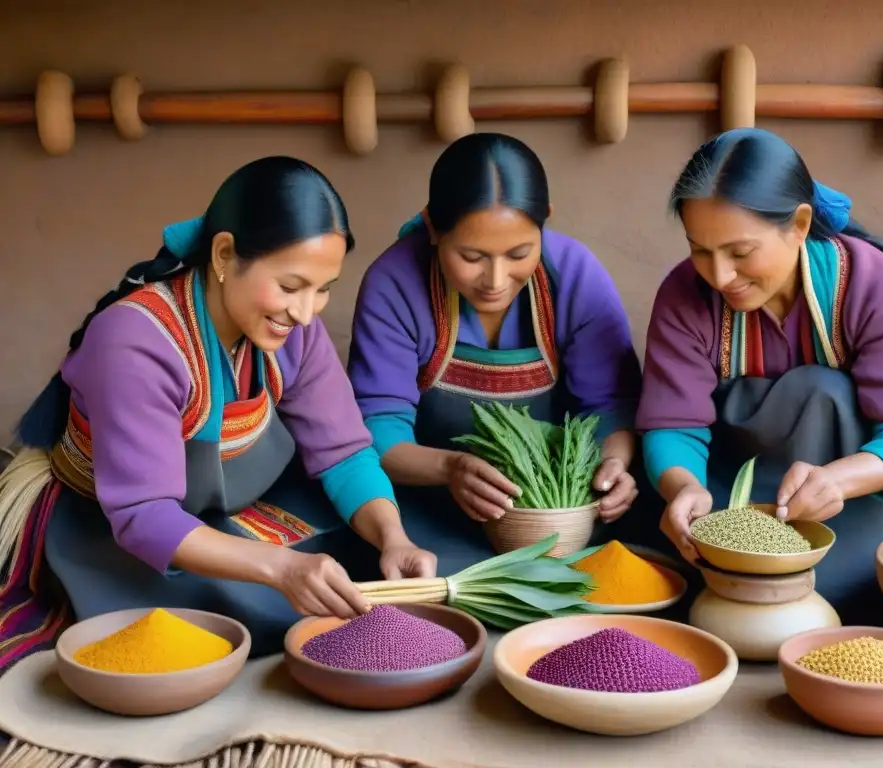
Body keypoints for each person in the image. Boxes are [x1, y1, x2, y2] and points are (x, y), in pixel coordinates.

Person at [0, 156, 436, 668]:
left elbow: (343, 453)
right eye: (290, 286)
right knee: (248, 609)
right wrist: (280, 568)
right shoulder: (136, 340)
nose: (305, 312)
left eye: (323, 290)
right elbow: (144, 516)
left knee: (366, 563)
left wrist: (393, 536)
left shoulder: (296, 332)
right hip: (114, 525)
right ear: (225, 254)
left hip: (220, 507)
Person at [636, 128, 883, 625]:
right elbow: (673, 425)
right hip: (730, 498)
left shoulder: (872, 284)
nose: (720, 275)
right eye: (700, 250)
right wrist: (684, 487)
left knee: (875, 603)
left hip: (858, 503)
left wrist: (840, 480)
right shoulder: (683, 295)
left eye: (740, 251)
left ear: (799, 224)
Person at [347, 132, 656, 575]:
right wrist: (450, 469)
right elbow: (376, 427)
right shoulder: (394, 283)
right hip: (430, 503)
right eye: (471, 256)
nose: (495, 279)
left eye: (519, 253)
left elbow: (610, 405)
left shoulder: (574, 275)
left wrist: (614, 466)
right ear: (432, 226)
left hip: (561, 511)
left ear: (544, 221)